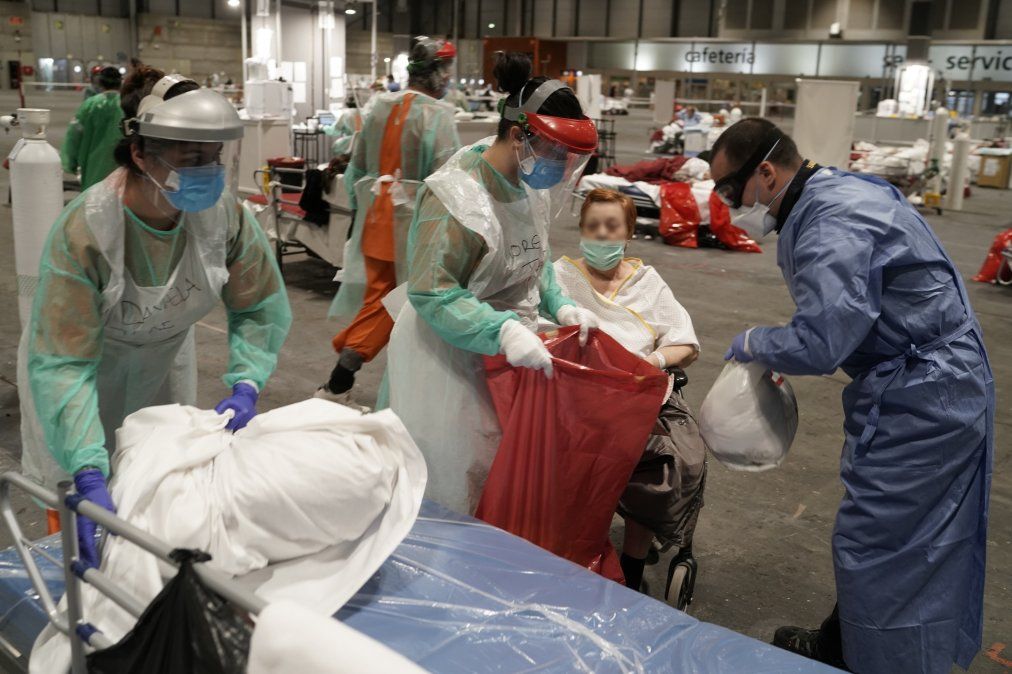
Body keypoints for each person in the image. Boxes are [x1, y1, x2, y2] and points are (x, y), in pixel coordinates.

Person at [711, 118, 993, 674]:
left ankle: (877, 661)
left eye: (728, 190)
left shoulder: (829, 223)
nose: (725, 204)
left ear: (765, 173)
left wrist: (755, 343)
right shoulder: (834, 188)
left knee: (877, 541)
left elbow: (821, 342)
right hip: (942, 375)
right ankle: (846, 641)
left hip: (923, 393)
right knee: (916, 535)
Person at [18, 67, 292, 569]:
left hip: (162, 361)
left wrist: (247, 381)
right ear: (141, 153)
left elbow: (258, 306)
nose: (208, 172)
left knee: (155, 487)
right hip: (82, 379)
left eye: (214, 158)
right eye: (191, 159)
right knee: (86, 516)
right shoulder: (87, 231)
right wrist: (87, 470)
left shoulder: (224, 216)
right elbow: (63, 362)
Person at [385, 51, 599, 514]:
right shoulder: (455, 196)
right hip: (448, 356)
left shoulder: (526, 182)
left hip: (506, 352)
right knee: (454, 476)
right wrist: (498, 330)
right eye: (557, 152)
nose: (561, 166)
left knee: (500, 470)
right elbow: (433, 290)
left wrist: (560, 303)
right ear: (519, 135)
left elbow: (532, 255)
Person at [553, 188, 705, 598]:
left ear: (629, 232)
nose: (601, 236)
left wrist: (653, 362)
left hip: (639, 396)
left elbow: (685, 344)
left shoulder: (647, 282)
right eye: (592, 227)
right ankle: (580, 549)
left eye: (611, 227)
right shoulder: (560, 277)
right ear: (581, 231)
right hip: (578, 399)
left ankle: (634, 567)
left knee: (665, 465)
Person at [317, 36, 460, 406]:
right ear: (433, 72)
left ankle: (344, 374)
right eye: (445, 70)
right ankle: (342, 376)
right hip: (413, 223)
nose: (448, 78)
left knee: (380, 297)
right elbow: (446, 178)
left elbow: (357, 169)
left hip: (375, 215)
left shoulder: (379, 105)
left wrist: (362, 209)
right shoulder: (437, 115)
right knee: (399, 301)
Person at [61, 66, 124, 190]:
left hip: (93, 166)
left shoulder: (89, 105)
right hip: (120, 166)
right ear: (120, 82)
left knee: (93, 198)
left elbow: (74, 134)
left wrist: (70, 162)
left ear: (100, 82)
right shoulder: (126, 105)